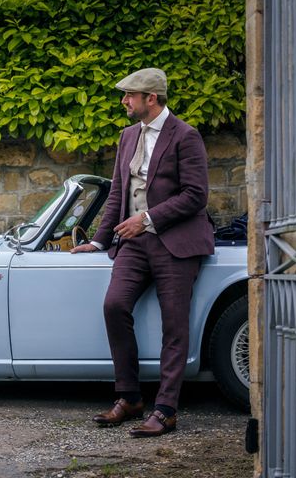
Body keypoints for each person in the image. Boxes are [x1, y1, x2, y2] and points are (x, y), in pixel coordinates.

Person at [71, 68, 214, 437]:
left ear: (151, 98)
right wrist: (101, 240)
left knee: (174, 325)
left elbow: (196, 195)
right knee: (114, 306)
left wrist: (148, 218)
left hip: (176, 243)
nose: (124, 101)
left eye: (129, 95)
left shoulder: (186, 135)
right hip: (133, 244)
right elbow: (118, 192)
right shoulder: (128, 136)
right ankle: (130, 397)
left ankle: (166, 409)